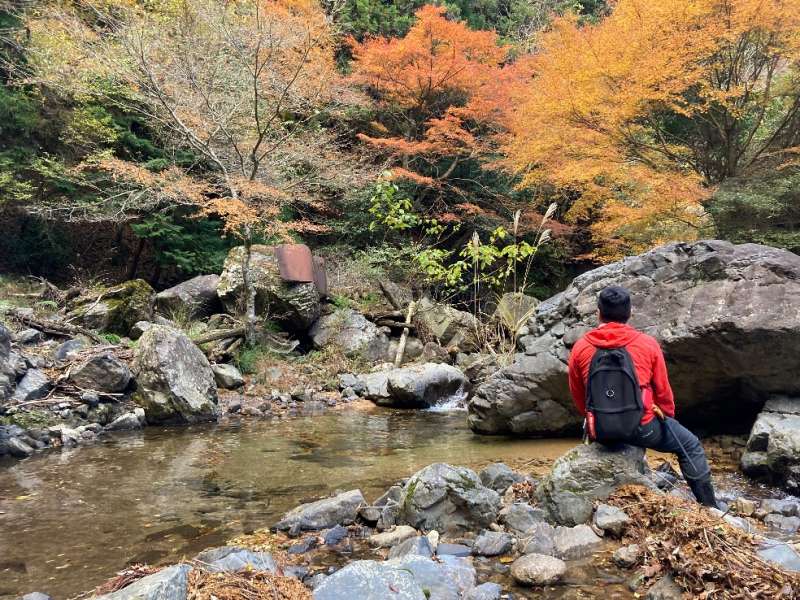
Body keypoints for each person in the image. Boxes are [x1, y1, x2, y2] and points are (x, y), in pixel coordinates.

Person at [567, 285, 720, 508]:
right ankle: (709, 506)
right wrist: (667, 419)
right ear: (630, 314)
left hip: (600, 431)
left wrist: (595, 421)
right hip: (643, 428)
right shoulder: (647, 344)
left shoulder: (581, 347)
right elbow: (663, 392)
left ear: (598, 313)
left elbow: (579, 396)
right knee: (690, 445)